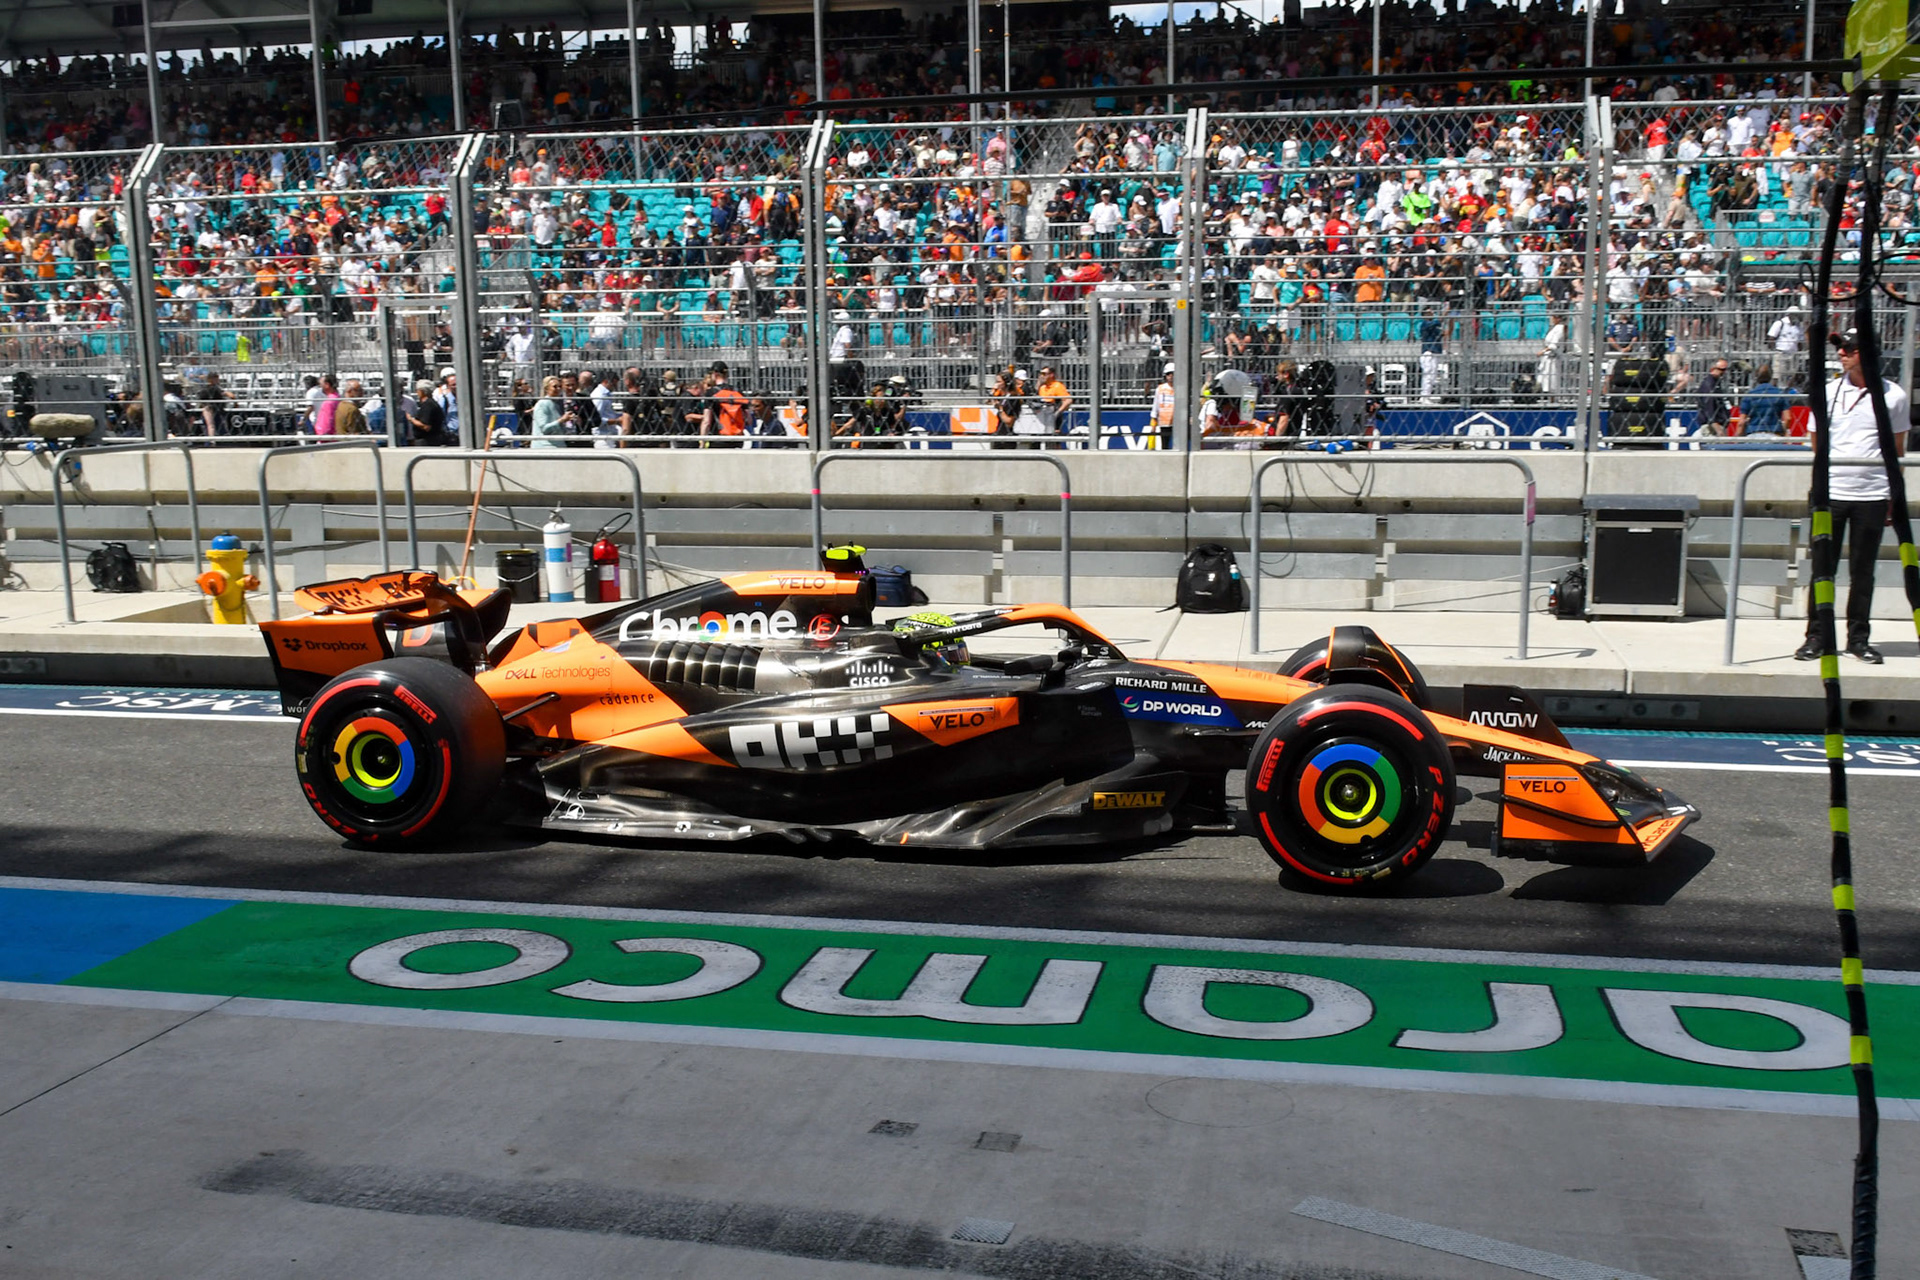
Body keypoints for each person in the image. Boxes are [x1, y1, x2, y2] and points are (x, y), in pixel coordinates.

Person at [1796, 329, 1908, 664]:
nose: (1842, 353)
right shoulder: (1827, 392)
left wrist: (1893, 497)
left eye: (1849, 348)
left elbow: (1897, 451)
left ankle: (1858, 639)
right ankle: (1817, 636)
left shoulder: (1895, 396)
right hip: (1830, 495)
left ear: (1868, 353)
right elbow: (1817, 441)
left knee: (1863, 571)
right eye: (1840, 348)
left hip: (1872, 495)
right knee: (1822, 569)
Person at [1739, 364, 1794, 435]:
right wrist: (1783, 431)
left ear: (1756, 377)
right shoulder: (1780, 394)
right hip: (1774, 433)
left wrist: (1738, 437)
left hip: (1754, 433)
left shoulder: (1750, 395)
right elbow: (1788, 418)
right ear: (1771, 376)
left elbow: (1741, 422)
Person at [406, 378, 450, 446]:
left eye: (417, 390)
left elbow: (426, 426)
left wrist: (411, 419)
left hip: (427, 442)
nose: (417, 392)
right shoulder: (431, 403)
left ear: (422, 391)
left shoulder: (428, 405)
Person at [1693, 358, 1731, 435]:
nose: (1724, 372)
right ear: (1712, 369)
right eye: (1721, 369)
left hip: (1718, 425)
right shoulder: (1709, 385)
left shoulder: (1716, 383)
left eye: (1725, 370)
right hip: (1712, 428)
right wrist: (1717, 429)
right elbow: (1709, 408)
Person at [530, 375, 567, 448]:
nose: (558, 389)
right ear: (546, 389)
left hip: (558, 445)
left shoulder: (557, 403)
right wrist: (562, 420)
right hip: (545, 447)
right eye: (555, 386)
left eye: (560, 386)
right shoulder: (542, 404)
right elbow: (545, 429)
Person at [1035, 365, 1071, 436]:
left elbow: (1068, 400)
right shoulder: (1042, 387)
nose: (1042, 376)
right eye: (1041, 374)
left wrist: (1058, 412)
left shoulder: (1057, 386)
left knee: (1055, 439)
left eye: (1044, 374)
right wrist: (1039, 382)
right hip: (1042, 416)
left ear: (1051, 375)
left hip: (1053, 416)